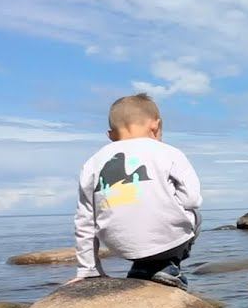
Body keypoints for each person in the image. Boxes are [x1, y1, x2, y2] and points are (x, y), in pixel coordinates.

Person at [72, 93, 202, 290]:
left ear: (111, 135)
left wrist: (88, 270)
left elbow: (85, 220)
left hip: (121, 246)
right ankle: (169, 266)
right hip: (168, 240)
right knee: (195, 215)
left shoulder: (93, 162)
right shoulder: (169, 152)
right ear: (156, 126)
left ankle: (142, 267)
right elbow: (191, 200)